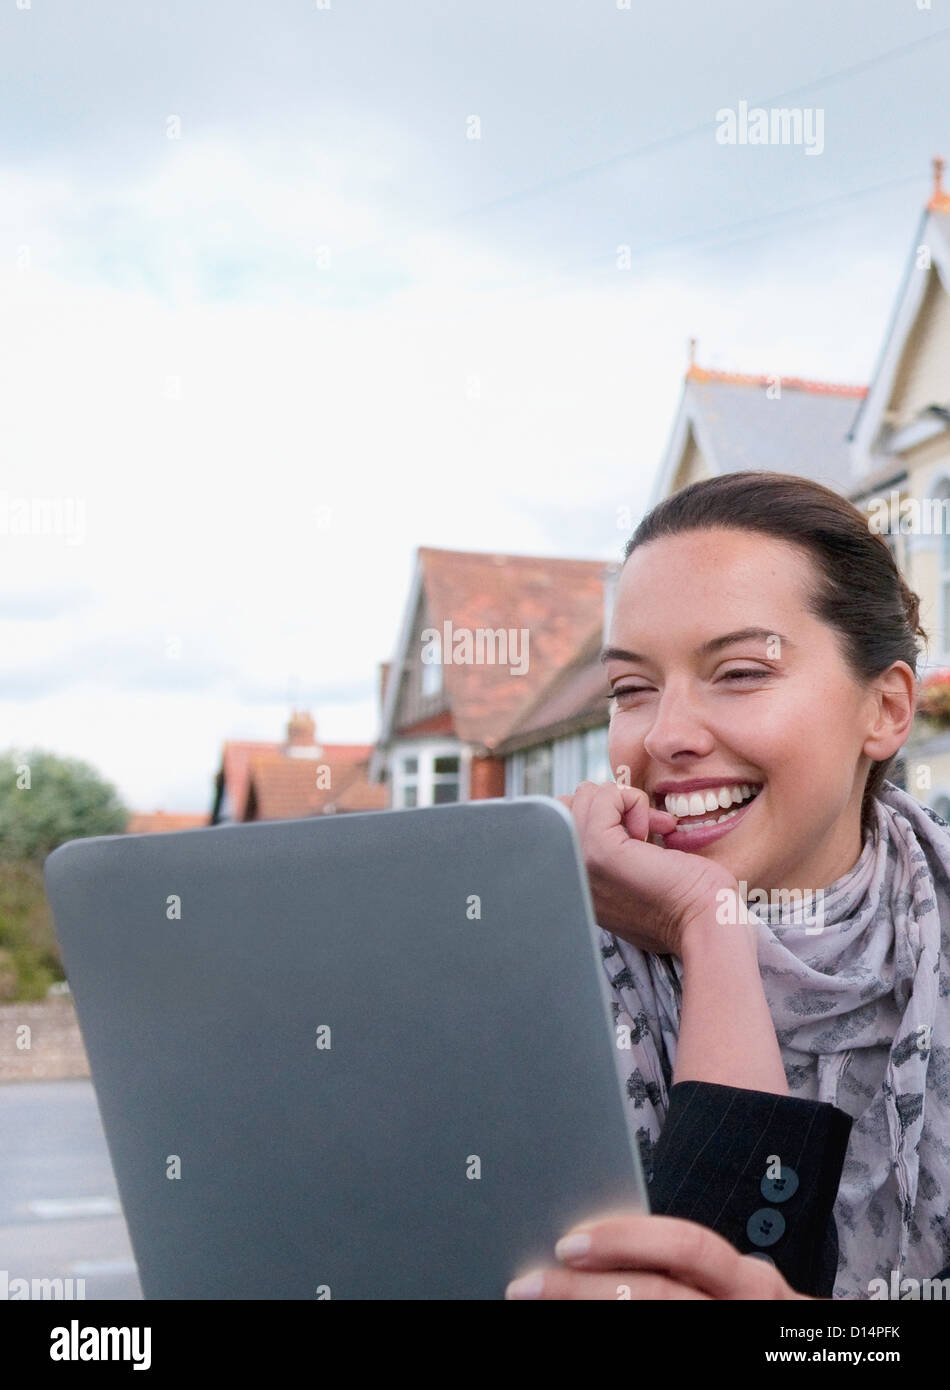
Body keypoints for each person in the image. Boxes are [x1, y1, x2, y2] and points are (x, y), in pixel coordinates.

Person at [505, 470, 950, 1300]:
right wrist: (709, 927)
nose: (666, 735)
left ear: (886, 709)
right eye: (631, 690)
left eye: (741, 672)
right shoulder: (519, 967)